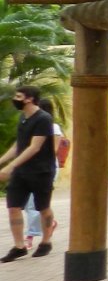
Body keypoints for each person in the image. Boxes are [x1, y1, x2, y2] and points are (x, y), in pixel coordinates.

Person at [1, 86, 59, 262]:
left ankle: (46, 241)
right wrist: (3, 161)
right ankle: (19, 246)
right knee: (13, 207)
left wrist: (10, 167)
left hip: (41, 171)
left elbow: (34, 147)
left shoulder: (43, 118)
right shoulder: (23, 118)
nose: (15, 99)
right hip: (22, 172)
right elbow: (19, 145)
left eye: (19, 96)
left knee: (43, 207)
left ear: (29, 99)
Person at [23, 99, 64, 250]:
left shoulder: (53, 128)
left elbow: (53, 150)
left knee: (36, 203)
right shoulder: (30, 126)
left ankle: (30, 236)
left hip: (45, 168)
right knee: (28, 203)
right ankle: (49, 223)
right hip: (29, 167)